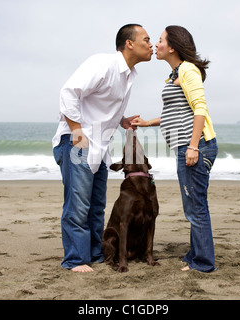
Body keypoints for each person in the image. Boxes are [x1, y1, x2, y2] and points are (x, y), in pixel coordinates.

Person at [52, 24, 153, 272]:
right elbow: (68, 93)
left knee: (97, 207)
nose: (151, 45)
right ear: (129, 43)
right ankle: (75, 260)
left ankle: (95, 255)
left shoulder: (129, 76)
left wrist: (122, 120)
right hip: (79, 143)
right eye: (146, 39)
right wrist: (77, 132)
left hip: (101, 147)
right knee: (78, 207)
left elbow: (100, 107)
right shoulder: (103, 64)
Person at [131, 25, 218, 272]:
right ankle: (195, 254)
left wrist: (193, 147)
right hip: (187, 146)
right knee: (193, 205)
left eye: (159, 41)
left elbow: (200, 109)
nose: (155, 45)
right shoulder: (174, 74)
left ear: (172, 47)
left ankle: (203, 263)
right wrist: (147, 122)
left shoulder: (188, 70)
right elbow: (175, 112)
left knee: (196, 206)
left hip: (195, 147)